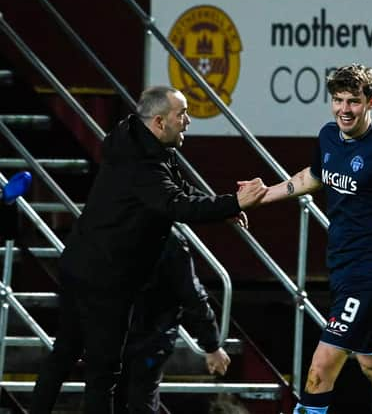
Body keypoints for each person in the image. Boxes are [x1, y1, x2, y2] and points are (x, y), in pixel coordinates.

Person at [30, 86, 267, 414]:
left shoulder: (142, 142)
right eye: (181, 114)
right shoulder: (143, 163)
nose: (187, 121)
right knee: (103, 372)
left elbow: (180, 188)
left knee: (65, 353)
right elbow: (174, 204)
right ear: (159, 121)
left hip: (82, 263)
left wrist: (225, 208)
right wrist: (235, 201)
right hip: (106, 278)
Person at [242, 63, 372, 414]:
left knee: (321, 368)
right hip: (341, 267)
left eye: (353, 101)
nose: (344, 109)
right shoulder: (328, 136)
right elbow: (313, 176)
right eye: (338, 100)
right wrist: (261, 196)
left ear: (371, 101)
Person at [114, 233, 231, 413]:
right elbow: (192, 294)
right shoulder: (169, 238)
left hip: (110, 333)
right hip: (151, 336)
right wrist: (212, 344)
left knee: (109, 398)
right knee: (141, 401)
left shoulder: (107, 226)